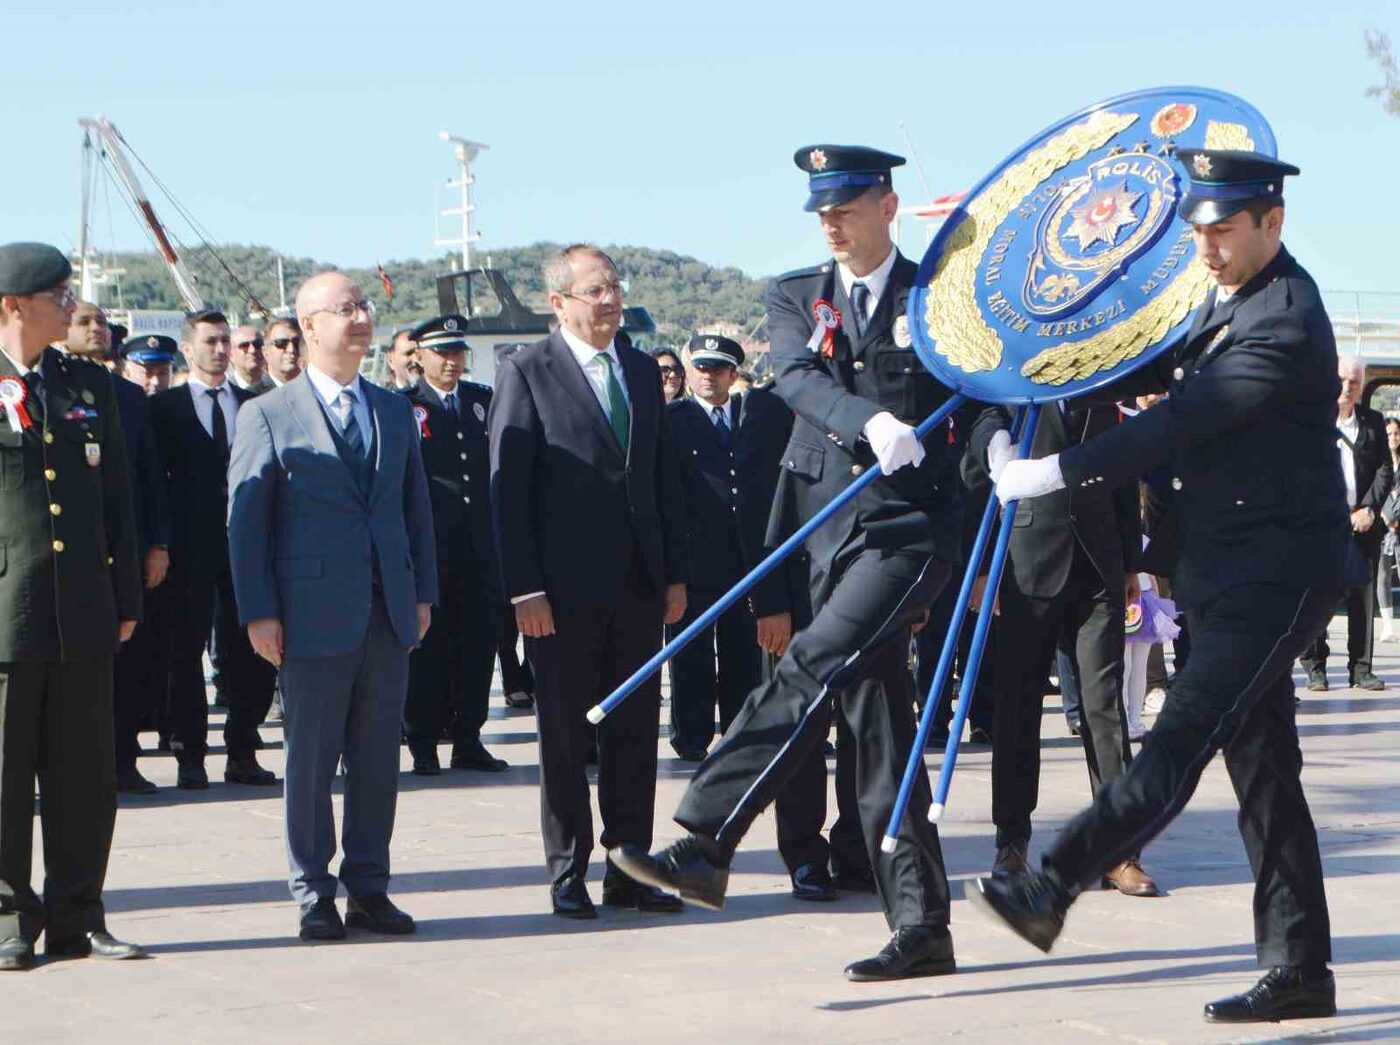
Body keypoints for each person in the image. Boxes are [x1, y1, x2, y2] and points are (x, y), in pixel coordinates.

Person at [973, 150, 1346, 1023]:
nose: (1207, 247)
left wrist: (1053, 471)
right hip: (1221, 571)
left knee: (1179, 738)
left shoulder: (1285, 318)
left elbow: (1182, 416)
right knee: (1264, 771)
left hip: (1277, 574)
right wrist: (1048, 364)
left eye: (1224, 230)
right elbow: (1152, 371)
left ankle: (1053, 882)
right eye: (1200, 231)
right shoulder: (1231, 301)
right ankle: (1300, 966)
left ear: (1272, 223)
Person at [612, 145, 968, 981]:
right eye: (821, 212)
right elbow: (799, 376)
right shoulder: (794, 293)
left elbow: (984, 399)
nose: (831, 224)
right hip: (828, 532)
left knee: (813, 664)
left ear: (886, 205)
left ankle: (705, 835)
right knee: (880, 733)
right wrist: (867, 419)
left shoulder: (940, 297)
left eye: (846, 207)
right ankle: (922, 923)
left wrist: (986, 474)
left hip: (909, 531)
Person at [229, 272, 436, 942]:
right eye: (345, 308)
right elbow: (246, 524)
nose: (360, 316)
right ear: (309, 324)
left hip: (386, 609)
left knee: (378, 757)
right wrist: (259, 610)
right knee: (310, 760)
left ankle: (369, 885)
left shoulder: (393, 408)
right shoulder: (266, 413)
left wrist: (422, 591)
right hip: (311, 612)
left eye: (364, 306)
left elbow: (415, 511)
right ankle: (313, 888)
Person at [489, 244, 689, 919]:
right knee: (566, 739)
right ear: (560, 302)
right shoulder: (527, 371)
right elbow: (508, 490)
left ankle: (629, 865)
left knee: (635, 732)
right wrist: (524, 590)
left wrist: (674, 574)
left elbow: (661, 476)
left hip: (637, 584)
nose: (610, 299)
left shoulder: (636, 367)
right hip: (560, 593)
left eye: (614, 286)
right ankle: (566, 869)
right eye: (595, 289)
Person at [0, 242, 145, 970]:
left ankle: (78, 914)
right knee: (2, 773)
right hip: (7, 614)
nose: (72, 304)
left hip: (83, 608)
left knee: (85, 775)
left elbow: (117, 497)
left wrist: (124, 595)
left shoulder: (85, 385)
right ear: (13, 305)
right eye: (56, 294)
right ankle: (5, 915)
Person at [966, 401, 1160, 897]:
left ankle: (1119, 850)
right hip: (1025, 563)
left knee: (1104, 707)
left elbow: (1119, 471)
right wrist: (984, 566)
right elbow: (980, 460)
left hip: (1098, 564)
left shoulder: (1096, 378)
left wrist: (1131, 564)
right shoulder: (1014, 382)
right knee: (1018, 707)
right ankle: (1011, 842)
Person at [151, 310, 278, 789]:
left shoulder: (254, 405)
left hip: (246, 548)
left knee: (251, 650)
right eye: (211, 341)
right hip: (187, 551)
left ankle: (243, 750)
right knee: (184, 653)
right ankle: (189, 755)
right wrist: (158, 544)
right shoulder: (165, 409)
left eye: (226, 340)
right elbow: (152, 483)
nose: (222, 350)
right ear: (189, 348)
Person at [664, 334, 790, 761]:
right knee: (691, 655)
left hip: (743, 559)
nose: (707, 376)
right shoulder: (673, 418)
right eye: (700, 367)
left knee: (742, 652)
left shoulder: (755, 416)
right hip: (695, 557)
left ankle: (738, 730)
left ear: (733, 374)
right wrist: (672, 573)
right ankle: (692, 738)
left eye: (717, 368)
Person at [401, 315, 508, 774]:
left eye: (456, 352)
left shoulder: (483, 402)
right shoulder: (405, 405)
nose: (450, 361)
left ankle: (469, 736)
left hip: (479, 547)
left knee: (477, 645)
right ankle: (423, 741)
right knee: (427, 647)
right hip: (430, 546)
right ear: (419, 357)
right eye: (440, 352)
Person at [1298, 356, 1390, 691]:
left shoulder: (1374, 422)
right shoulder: (1312, 422)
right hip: (1322, 524)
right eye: (1342, 379)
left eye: (1354, 381)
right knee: (1316, 596)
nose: (1347, 387)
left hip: (1363, 523)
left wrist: (1369, 509)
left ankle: (1361, 667)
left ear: (1362, 384)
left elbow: (1384, 469)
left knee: (1363, 598)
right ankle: (1315, 666)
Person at [109, 335, 175, 794]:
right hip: (70, 554)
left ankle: (122, 760)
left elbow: (151, 479)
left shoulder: (129, 400)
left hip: (129, 549)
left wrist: (157, 543)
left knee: (131, 660)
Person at [1378, 417, 1400, 642]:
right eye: (1389, 434)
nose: (1393, 438)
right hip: (1384, 525)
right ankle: (1387, 625)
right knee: (1383, 574)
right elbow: (1378, 488)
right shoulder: (1379, 461)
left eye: (1396, 433)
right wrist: (1387, 515)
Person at [65, 299, 115, 366]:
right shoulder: (50, 371)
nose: (96, 328)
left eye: (101, 322)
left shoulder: (125, 371)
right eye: (84, 322)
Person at [228, 325, 275, 394]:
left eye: (257, 344)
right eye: (244, 346)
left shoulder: (277, 388)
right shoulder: (227, 392)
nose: (252, 350)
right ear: (230, 354)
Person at [263, 317, 302, 386]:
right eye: (282, 343)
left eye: (296, 342)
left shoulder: (316, 388)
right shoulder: (253, 395)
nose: (291, 349)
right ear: (266, 352)